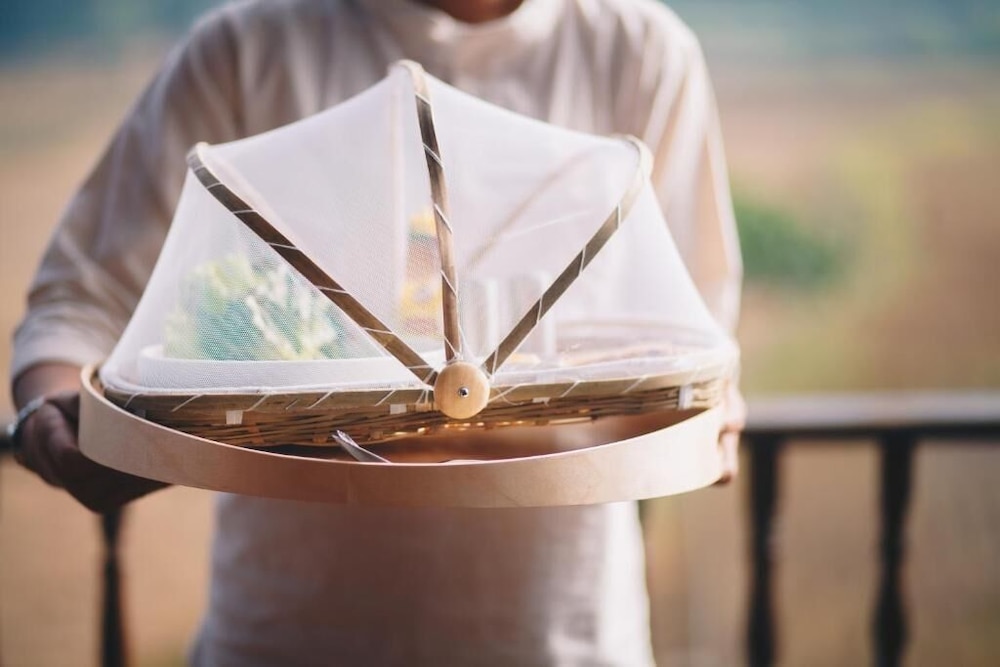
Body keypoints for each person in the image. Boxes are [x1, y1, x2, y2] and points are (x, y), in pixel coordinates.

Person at [9, 0, 744, 663]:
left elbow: (695, 337)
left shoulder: (640, 50)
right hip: (284, 632)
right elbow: (79, 298)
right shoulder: (246, 47)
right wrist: (58, 413)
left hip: (562, 635)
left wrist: (705, 417)